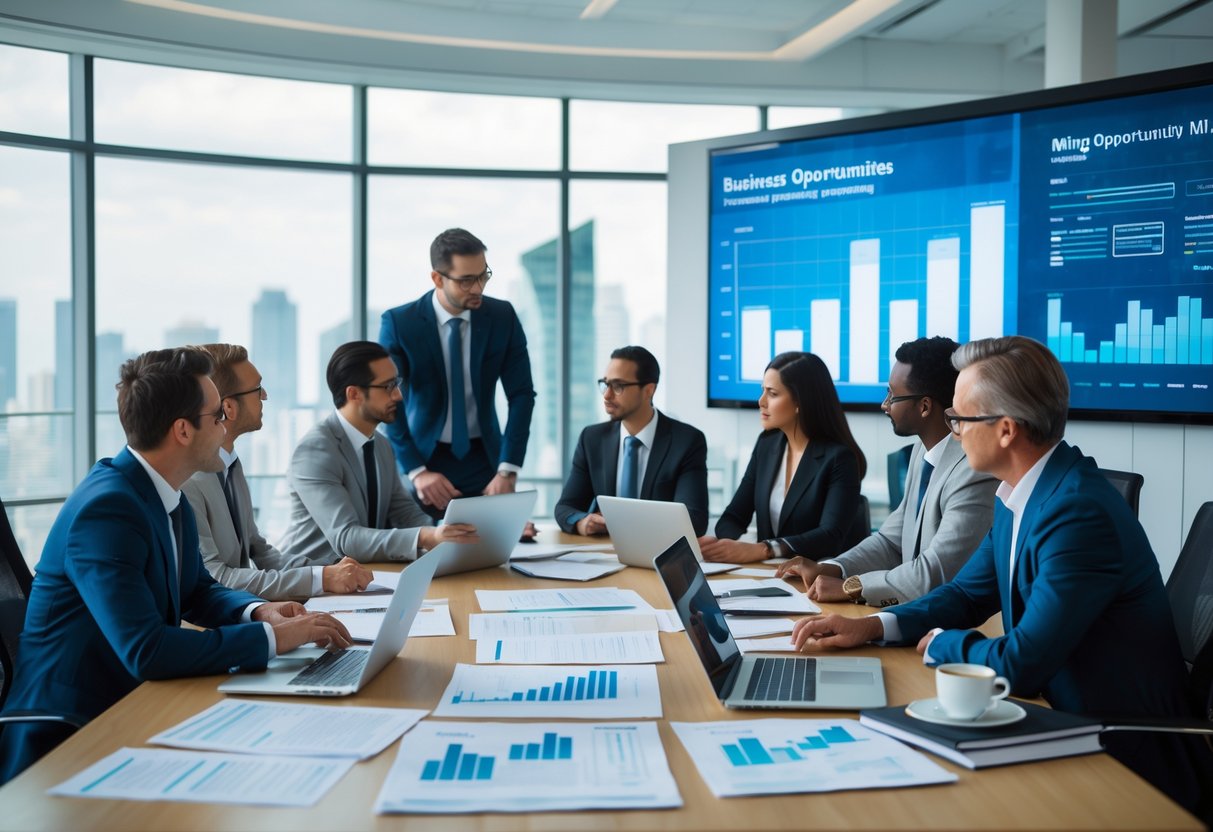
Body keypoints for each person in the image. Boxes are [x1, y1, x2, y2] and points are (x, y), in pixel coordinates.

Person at [790, 335, 1210, 812]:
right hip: (1058, 722)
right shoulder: (1018, 495)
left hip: (1122, 756)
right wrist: (870, 627)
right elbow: (966, 594)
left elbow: (1022, 664)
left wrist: (943, 643)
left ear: (1006, 430)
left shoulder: (1077, 513)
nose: (952, 432)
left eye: (960, 419)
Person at [0, 348, 352, 784]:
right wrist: (272, 638)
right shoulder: (107, 509)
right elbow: (146, 650)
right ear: (183, 430)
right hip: (67, 735)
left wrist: (258, 612)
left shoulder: (168, 494)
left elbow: (197, 591)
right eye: (217, 417)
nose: (226, 425)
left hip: (130, 705)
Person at [777, 337, 997, 606]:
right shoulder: (921, 451)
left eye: (893, 395)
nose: (884, 404)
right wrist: (831, 568)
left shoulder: (973, 470)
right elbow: (890, 541)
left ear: (924, 406)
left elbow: (934, 573)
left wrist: (850, 587)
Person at [181, 344, 373, 600]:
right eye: (256, 389)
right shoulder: (188, 481)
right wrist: (322, 579)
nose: (265, 396)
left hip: (249, 610)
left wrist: (329, 569)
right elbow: (216, 577)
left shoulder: (231, 464)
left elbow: (262, 553)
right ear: (228, 408)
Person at [379, 228, 536, 519]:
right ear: (437, 278)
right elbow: (389, 399)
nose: (478, 288)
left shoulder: (502, 317)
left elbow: (522, 395)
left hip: (487, 460)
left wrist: (508, 469)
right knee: (422, 551)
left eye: (483, 275)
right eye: (466, 280)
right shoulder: (401, 323)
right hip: (424, 458)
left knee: (491, 553)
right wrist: (416, 470)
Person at [278, 341, 478, 564]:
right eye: (388, 386)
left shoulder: (381, 444)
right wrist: (426, 537)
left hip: (361, 575)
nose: (398, 395)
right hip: (310, 579)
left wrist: (455, 532)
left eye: (397, 383)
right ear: (354, 394)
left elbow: (403, 512)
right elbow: (346, 538)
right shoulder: (315, 451)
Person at [700, 351, 865, 564]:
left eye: (772, 393)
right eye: (762, 391)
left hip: (815, 580)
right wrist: (719, 544)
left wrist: (765, 549)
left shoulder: (839, 459)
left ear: (800, 402)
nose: (761, 402)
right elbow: (734, 516)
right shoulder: (766, 445)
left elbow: (830, 536)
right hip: (766, 575)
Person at [554, 345, 709, 536]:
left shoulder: (687, 442)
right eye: (605, 384)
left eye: (618, 386)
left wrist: (624, 524)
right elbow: (566, 508)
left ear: (648, 390)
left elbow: (695, 520)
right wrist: (582, 522)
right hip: (603, 555)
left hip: (655, 555)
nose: (607, 395)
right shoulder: (592, 438)